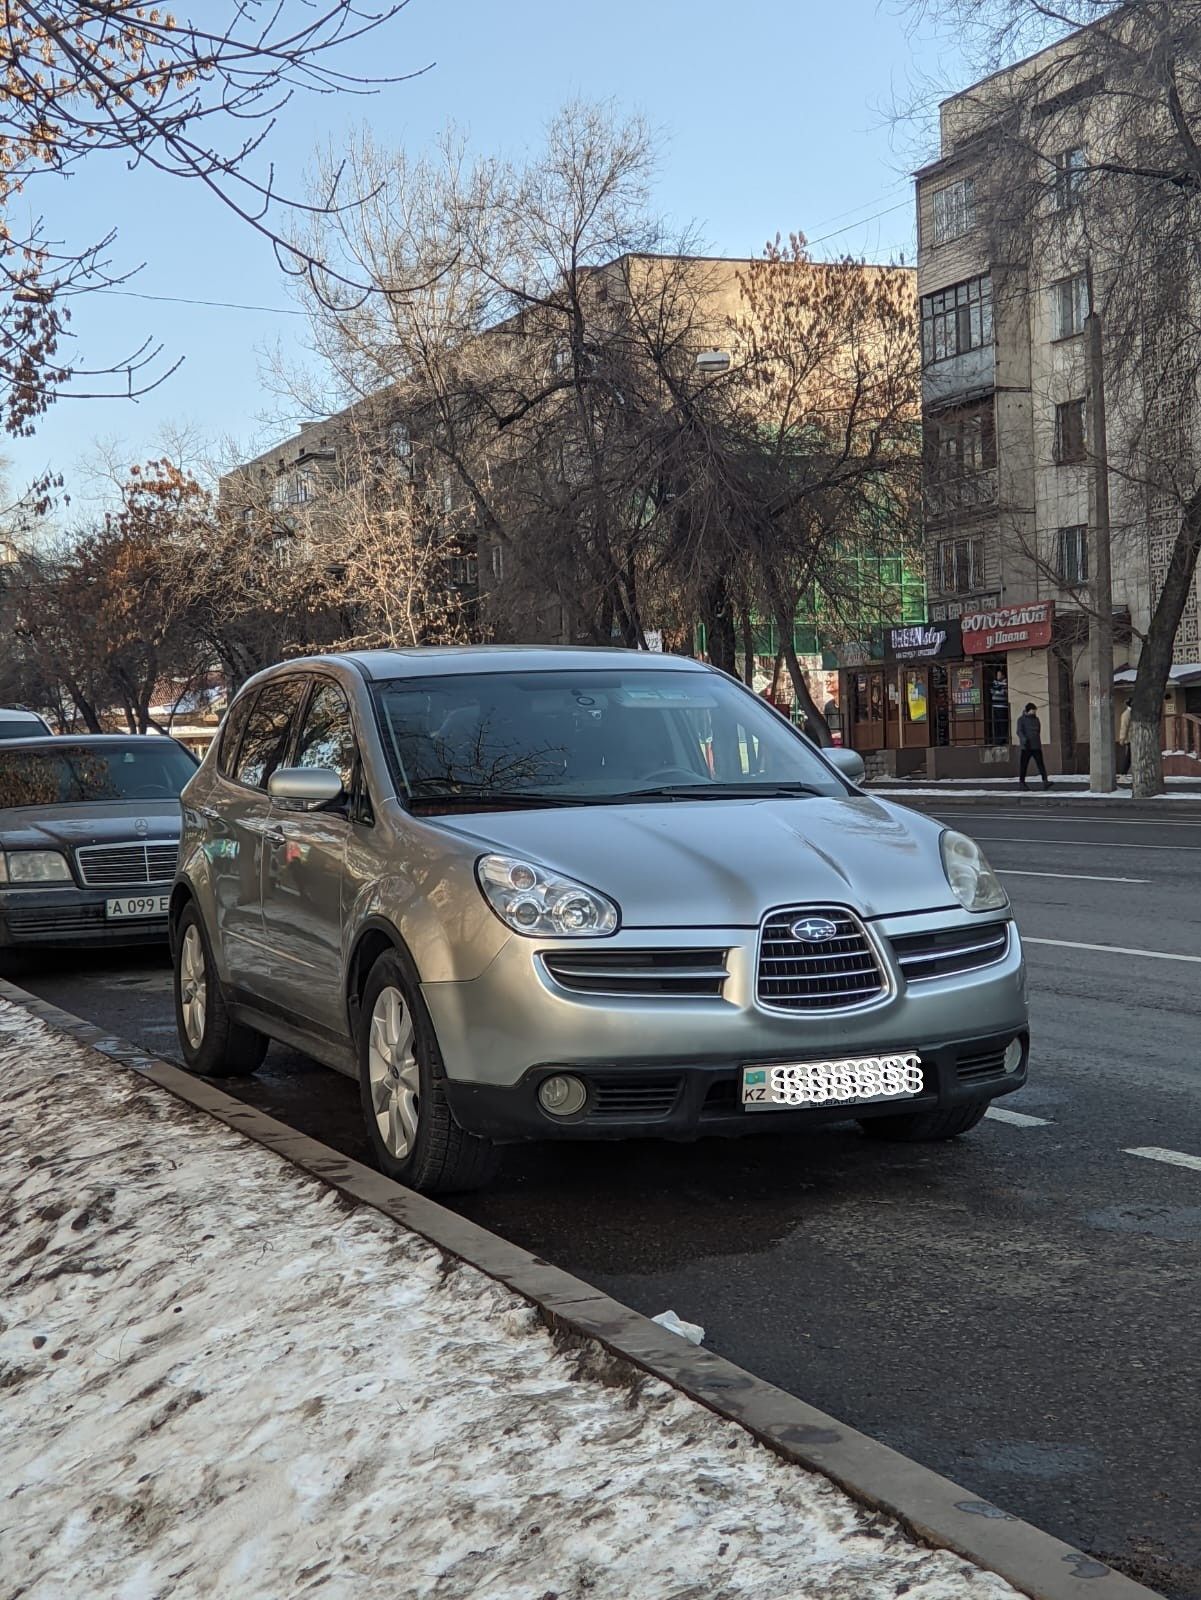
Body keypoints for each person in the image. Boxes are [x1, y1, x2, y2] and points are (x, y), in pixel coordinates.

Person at [1016, 702, 1050, 789]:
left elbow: (1038, 730)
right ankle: (1022, 782)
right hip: (1026, 746)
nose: (1034, 712)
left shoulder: (1036, 719)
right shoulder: (1021, 720)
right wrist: (1024, 739)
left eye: (1035, 711)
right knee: (1024, 765)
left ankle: (1045, 781)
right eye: (1033, 710)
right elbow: (1019, 731)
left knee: (1040, 764)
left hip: (1036, 745)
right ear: (1028, 710)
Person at [1117, 700, 1133, 775]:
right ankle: (1124, 773)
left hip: (1131, 738)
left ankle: (1124, 772)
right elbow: (1124, 727)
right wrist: (1122, 738)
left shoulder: (1130, 713)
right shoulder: (1127, 714)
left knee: (1130, 757)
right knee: (1129, 757)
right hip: (1130, 739)